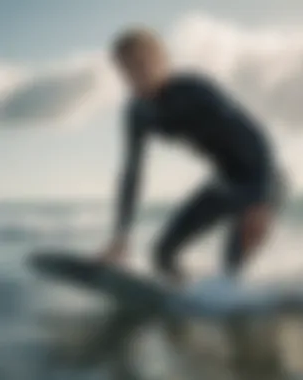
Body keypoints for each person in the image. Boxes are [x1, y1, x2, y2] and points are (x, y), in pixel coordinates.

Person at [99, 28, 285, 285]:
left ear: (162, 62)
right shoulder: (138, 113)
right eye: (127, 70)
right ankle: (189, 298)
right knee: (162, 255)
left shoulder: (193, 90)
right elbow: (132, 174)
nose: (136, 76)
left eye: (142, 64)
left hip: (261, 180)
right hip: (225, 182)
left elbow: (255, 137)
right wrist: (121, 236)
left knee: (231, 270)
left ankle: (233, 303)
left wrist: (261, 201)